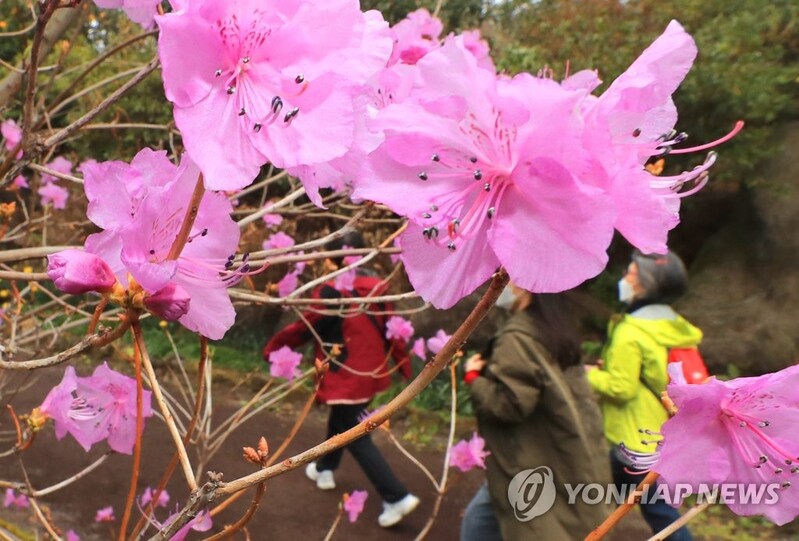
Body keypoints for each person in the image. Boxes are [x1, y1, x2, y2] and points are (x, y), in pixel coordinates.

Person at [263, 232, 419, 528]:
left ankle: (396, 497)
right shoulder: (379, 288)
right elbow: (394, 335)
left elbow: (303, 328)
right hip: (371, 375)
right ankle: (324, 468)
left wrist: (273, 349)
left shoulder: (331, 292)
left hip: (345, 376)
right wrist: (404, 367)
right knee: (341, 424)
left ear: (333, 259)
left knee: (356, 438)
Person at [460, 286, 611, 541]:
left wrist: (474, 377)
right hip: (561, 449)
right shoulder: (552, 325)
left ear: (525, 285)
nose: (499, 285)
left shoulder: (518, 336)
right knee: (481, 520)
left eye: (507, 277)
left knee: (481, 526)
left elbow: (509, 404)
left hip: (530, 457)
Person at [586, 250, 701, 541]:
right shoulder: (675, 327)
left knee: (655, 513)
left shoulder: (630, 331)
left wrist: (586, 373)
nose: (624, 278)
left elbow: (620, 388)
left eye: (630, 273)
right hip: (660, 432)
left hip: (630, 437)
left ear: (645, 285)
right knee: (644, 509)